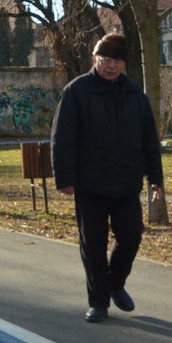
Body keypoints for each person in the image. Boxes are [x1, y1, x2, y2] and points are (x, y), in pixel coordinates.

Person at [51, 32, 164, 323]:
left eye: (116, 61)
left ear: (124, 63)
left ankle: (115, 283)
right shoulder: (77, 91)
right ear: (95, 59)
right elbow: (62, 137)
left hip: (126, 182)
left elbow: (150, 140)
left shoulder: (134, 95)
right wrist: (64, 177)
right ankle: (98, 301)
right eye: (105, 60)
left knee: (131, 236)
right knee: (93, 243)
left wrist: (156, 179)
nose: (111, 66)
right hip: (90, 183)